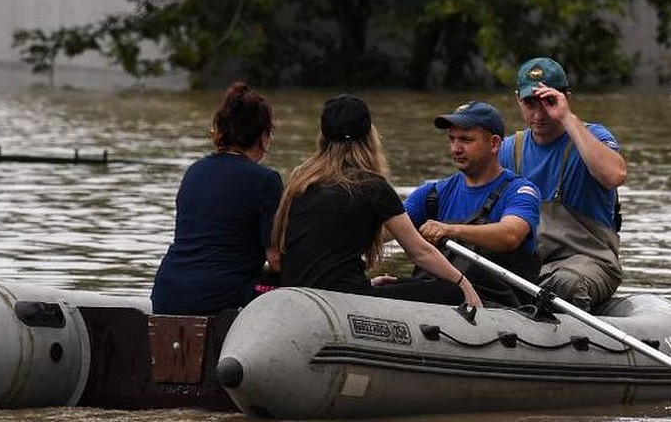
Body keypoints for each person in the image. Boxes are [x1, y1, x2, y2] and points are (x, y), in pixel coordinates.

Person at [273, 94, 482, 309]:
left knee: (398, 282)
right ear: (369, 137)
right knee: (449, 291)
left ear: (323, 137)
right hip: (344, 298)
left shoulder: (300, 181)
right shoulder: (372, 186)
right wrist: (463, 283)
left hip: (298, 293)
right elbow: (420, 252)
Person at [499, 57, 626, 310]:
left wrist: (566, 117)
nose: (538, 114)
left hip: (589, 262)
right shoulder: (508, 150)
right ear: (518, 99)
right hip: (529, 267)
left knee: (564, 284)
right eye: (529, 103)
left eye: (548, 102)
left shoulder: (593, 137)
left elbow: (615, 175)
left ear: (565, 97)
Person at [150, 82, 283, 315]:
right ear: (263, 136)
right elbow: (276, 260)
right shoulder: (266, 180)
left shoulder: (194, 171)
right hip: (219, 297)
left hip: (166, 291)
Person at [391, 101, 541, 307]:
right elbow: (385, 230)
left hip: (500, 305)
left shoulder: (521, 191)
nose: (456, 148)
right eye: (451, 139)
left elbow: (510, 235)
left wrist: (450, 229)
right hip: (440, 294)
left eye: (465, 140)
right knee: (388, 287)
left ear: (494, 143)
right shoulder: (431, 194)